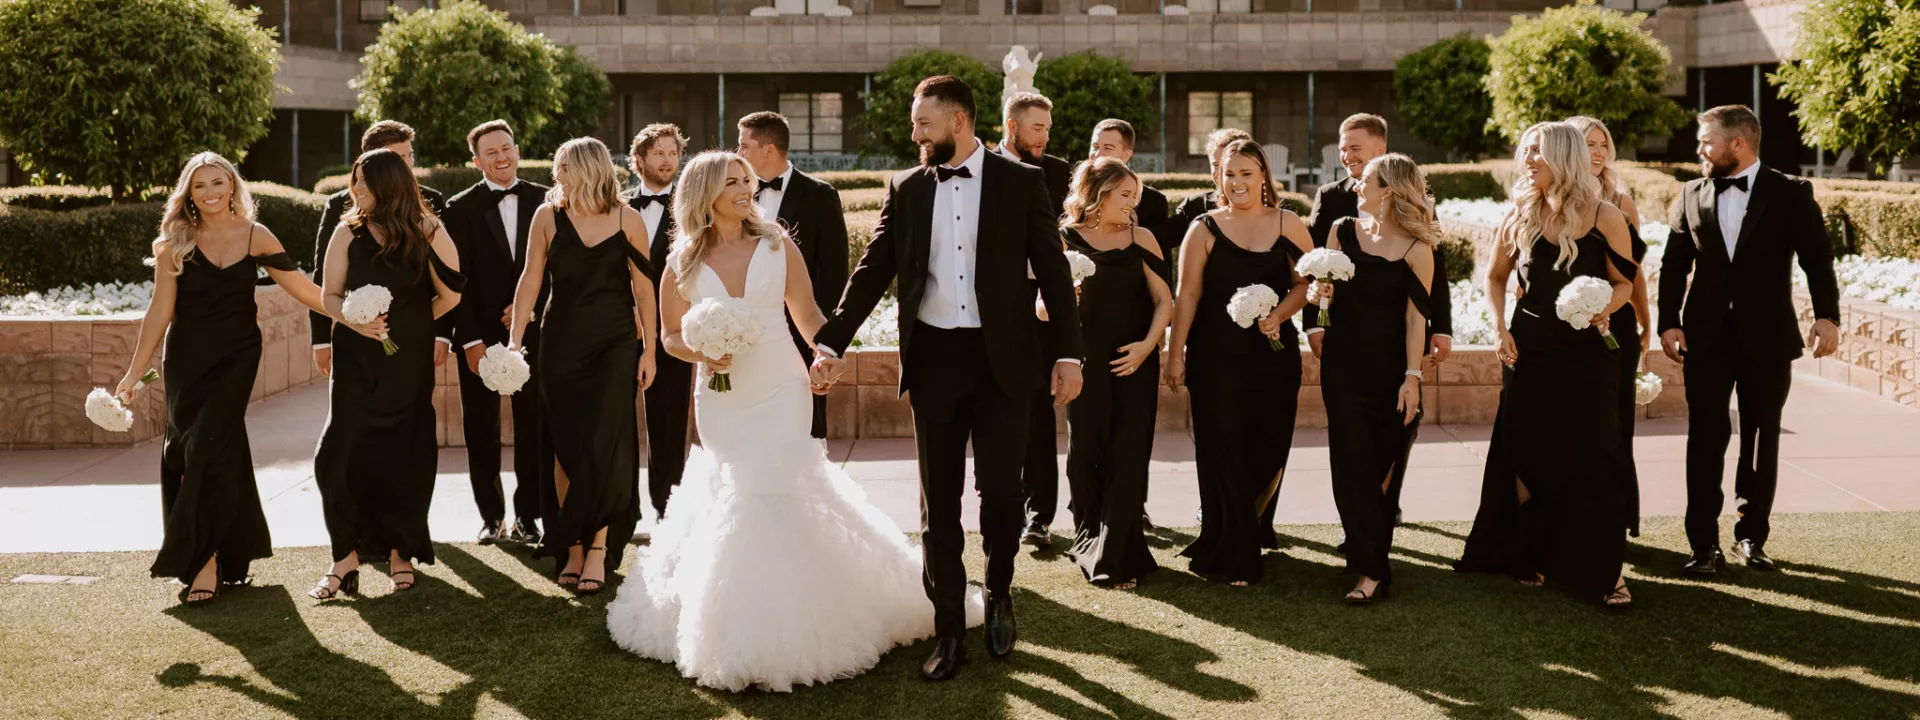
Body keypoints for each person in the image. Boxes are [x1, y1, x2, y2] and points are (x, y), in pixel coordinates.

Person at [606, 151, 978, 693]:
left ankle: (795, 624)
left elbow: (810, 319)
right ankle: (731, 620)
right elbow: (668, 338)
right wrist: (703, 353)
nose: (744, 189)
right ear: (704, 192)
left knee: (775, 484)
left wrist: (825, 356)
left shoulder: (779, 246)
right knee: (735, 492)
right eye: (732, 182)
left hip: (782, 385)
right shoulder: (681, 261)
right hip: (721, 397)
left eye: (747, 181)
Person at [810, 75, 1085, 681]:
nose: (915, 134)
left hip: (1003, 363)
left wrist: (1070, 354)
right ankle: (948, 628)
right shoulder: (907, 187)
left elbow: (1054, 272)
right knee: (939, 503)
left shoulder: (1022, 182)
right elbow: (874, 266)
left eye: (923, 123)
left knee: (1003, 495)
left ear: (958, 121)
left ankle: (1002, 589)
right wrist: (831, 338)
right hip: (934, 360)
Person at [119, 153, 325, 604]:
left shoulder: (256, 235)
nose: (211, 192)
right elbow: (160, 310)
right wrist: (135, 371)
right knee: (196, 451)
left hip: (237, 356)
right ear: (188, 194)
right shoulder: (175, 241)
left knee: (206, 443)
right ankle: (233, 552)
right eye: (200, 186)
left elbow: (303, 289)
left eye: (218, 182)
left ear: (233, 185)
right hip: (187, 360)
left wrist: (353, 316)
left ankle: (204, 559)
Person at [1455, 122, 1638, 608]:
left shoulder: (1605, 215)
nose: (1527, 160)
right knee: (1525, 449)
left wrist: (1605, 308)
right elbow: (1495, 278)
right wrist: (1499, 328)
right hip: (1529, 348)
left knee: (1594, 454)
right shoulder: (1520, 213)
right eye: (1526, 153)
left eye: (1536, 152)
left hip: (1588, 353)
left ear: (1563, 156)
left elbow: (1625, 283)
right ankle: (1529, 553)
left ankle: (1606, 570)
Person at [1660, 105, 1840, 575]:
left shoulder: (1791, 193)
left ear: (1737, 144)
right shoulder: (1690, 193)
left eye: (1706, 140)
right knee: (1705, 437)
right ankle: (1703, 545)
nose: (1699, 149)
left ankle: (1751, 538)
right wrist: (1668, 321)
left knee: (1760, 440)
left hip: (1769, 338)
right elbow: (1674, 264)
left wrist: (1827, 316)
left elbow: (1817, 258)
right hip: (1706, 337)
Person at [309, 148, 465, 600]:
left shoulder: (428, 227)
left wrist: (413, 325)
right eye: (355, 181)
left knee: (405, 453)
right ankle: (345, 557)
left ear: (390, 184)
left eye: (364, 182)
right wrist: (356, 322)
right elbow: (329, 296)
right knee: (336, 455)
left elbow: (453, 293)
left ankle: (401, 551)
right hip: (357, 360)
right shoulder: (346, 231)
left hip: (407, 361)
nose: (356, 190)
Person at [507, 137, 658, 596]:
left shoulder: (627, 219)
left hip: (614, 345)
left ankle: (598, 547)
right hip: (561, 342)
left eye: (564, 166)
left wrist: (650, 349)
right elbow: (531, 278)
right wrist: (514, 342)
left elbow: (645, 290)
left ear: (588, 168)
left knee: (607, 443)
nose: (557, 175)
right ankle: (570, 544)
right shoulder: (546, 217)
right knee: (564, 444)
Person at [1165, 139, 1312, 587]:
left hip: (1273, 359)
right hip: (1215, 359)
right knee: (1223, 449)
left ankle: (1247, 529)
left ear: (1264, 176)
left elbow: (1307, 282)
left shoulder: (1289, 222)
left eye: (1247, 173)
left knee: (1267, 446)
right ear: (1218, 178)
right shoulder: (1204, 228)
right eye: (1229, 174)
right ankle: (1233, 551)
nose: (1238, 183)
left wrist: (1280, 315)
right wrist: (1176, 354)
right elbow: (1187, 293)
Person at [1307, 115, 1453, 540]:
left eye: (1355, 148)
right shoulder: (1334, 210)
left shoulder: (1417, 234)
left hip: (1390, 357)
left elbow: (1424, 295)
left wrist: (1432, 341)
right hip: (1345, 353)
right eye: (1343, 146)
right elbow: (1320, 271)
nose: (1347, 158)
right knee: (1348, 453)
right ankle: (1362, 538)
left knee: (1388, 445)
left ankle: (1378, 521)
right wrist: (1317, 313)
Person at [1316, 154, 1438, 605]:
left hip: (1390, 372)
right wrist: (1319, 295)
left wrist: (1412, 377)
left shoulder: (1417, 248)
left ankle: (1370, 557)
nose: (1354, 186)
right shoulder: (1340, 231)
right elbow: (1323, 296)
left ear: (1387, 189)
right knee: (1350, 465)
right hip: (1344, 366)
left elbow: (1414, 321)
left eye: (1364, 180)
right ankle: (1369, 569)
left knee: (1383, 465)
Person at [1057, 158, 1173, 589]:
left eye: (1135, 196)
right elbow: (1042, 310)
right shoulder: (1063, 239)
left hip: (1134, 362)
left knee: (1129, 452)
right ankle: (1088, 537)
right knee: (1086, 451)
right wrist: (1063, 295)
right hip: (1083, 363)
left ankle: (1119, 553)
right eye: (1125, 195)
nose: (1132, 204)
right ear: (1099, 193)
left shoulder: (1140, 237)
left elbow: (1165, 301)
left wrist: (1147, 347)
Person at [441, 119, 551, 546]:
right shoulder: (459, 208)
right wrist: (469, 340)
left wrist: (530, 310)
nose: (502, 157)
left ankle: (529, 517)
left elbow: (556, 269)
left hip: (536, 332)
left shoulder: (546, 200)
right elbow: (454, 280)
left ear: (518, 150)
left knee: (533, 428)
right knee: (480, 431)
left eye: (507, 148)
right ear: (477, 161)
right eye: (491, 152)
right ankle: (491, 518)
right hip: (479, 340)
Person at [737, 111, 850, 439]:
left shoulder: (819, 195)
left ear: (768, 150)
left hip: (803, 334)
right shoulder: (735, 197)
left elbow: (833, 272)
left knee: (806, 430)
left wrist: (823, 343)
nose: (738, 153)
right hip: (747, 334)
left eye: (744, 145)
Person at [309, 121, 447, 381]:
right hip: (356, 335)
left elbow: (447, 278)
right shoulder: (340, 205)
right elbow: (324, 276)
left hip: (414, 337)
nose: (406, 165)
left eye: (409, 156)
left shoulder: (432, 203)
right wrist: (320, 340)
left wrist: (437, 331)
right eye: (397, 158)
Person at [997, 91, 1075, 547]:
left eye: (1047, 128)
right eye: (1036, 128)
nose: (1045, 136)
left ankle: (1038, 516)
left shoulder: (1060, 171)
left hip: (1043, 298)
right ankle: (1003, 502)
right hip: (1000, 304)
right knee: (1002, 407)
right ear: (1012, 127)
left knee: (1042, 412)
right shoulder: (983, 168)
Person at [1566, 115, 1649, 539]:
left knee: (1614, 427)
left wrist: (1645, 324)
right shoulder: (1547, 199)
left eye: (1603, 144)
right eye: (1588, 144)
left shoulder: (1621, 200)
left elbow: (1633, 274)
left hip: (1613, 326)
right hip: (1562, 329)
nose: (1598, 152)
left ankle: (1615, 520)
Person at [628, 124, 693, 521]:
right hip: (624, 329)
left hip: (672, 330)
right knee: (617, 422)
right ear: (639, 161)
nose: (668, 159)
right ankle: (621, 509)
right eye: (658, 153)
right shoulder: (615, 206)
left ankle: (667, 508)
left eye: (673, 152)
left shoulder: (691, 208)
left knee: (670, 422)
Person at [1088, 118, 1169, 232]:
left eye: (1108, 148)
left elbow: (1158, 248)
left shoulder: (1152, 202)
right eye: (1095, 147)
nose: (1098, 154)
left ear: (1126, 155)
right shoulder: (1072, 192)